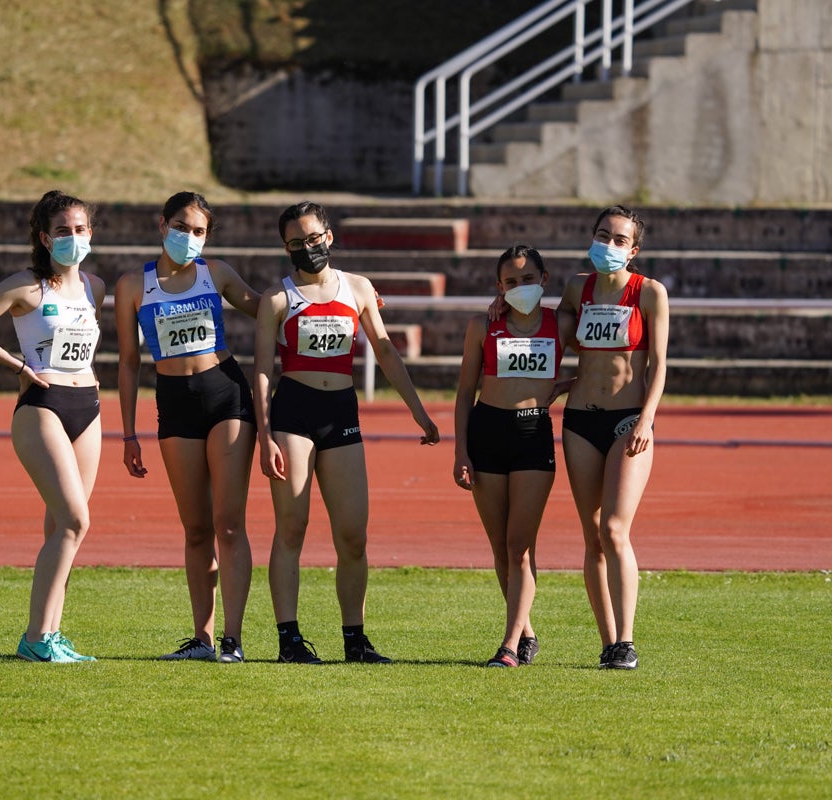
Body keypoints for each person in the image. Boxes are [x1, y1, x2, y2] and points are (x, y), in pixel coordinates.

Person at [253, 200, 440, 664]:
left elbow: (386, 350)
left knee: (353, 536)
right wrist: (264, 434)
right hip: (293, 414)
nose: (307, 247)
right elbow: (262, 371)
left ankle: (355, 640)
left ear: (329, 236)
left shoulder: (358, 288)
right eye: (296, 242)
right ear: (285, 247)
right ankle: (289, 640)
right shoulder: (277, 299)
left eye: (313, 238)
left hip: (341, 412)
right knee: (291, 528)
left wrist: (418, 412)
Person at [0, 189, 104, 663]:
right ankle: (35, 638)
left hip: (88, 406)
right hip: (43, 404)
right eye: (62, 231)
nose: (73, 237)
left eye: (80, 229)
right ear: (45, 238)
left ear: (91, 233)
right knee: (76, 520)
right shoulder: (27, 286)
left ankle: (50, 634)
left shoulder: (94, 286)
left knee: (63, 528)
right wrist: (18, 366)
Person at [114, 191, 260, 663]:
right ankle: (202, 638)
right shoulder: (133, 285)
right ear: (162, 225)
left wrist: (341, 296)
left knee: (228, 525)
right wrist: (129, 433)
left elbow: (269, 308)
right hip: (175, 403)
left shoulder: (216, 273)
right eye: (181, 227)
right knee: (196, 529)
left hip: (226, 395)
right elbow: (129, 362)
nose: (189, 236)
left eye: (199, 230)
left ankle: (233, 640)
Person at [557, 205, 669, 670]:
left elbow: (659, 363)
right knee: (593, 535)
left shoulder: (649, 292)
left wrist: (646, 418)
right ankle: (608, 644)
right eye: (603, 235)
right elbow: (549, 333)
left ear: (633, 250)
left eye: (620, 239)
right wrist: (500, 306)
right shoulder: (576, 288)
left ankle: (626, 640)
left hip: (628, 421)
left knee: (614, 528)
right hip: (580, 420)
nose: (609, 244)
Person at [454, 245, 564, 668]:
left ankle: (508, 646)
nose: (521, 287)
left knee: (520, 546)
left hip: (533, 434)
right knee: (501, 547)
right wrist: (461, 450)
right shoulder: (482, 326)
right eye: (512, 282)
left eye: (529, 279)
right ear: (499, 287)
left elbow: (603, 363)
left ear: (544, 279)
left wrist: (567, 384)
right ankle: (526, 632)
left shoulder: (561, 323)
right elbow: (465, 392)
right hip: (487, 433)